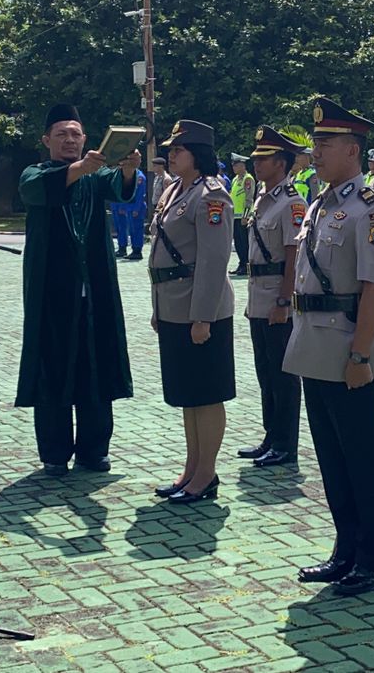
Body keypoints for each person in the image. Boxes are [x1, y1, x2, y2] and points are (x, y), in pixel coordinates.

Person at [284, 97, 374, 597]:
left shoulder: (370, 212)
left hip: (349, 346)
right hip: (313, 343)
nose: (317, 151)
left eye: (325, 144)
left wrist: (360, 354)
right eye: (316, 143)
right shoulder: (320, 204)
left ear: (352, 150)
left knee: (365, 458)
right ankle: (345, 549)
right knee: (332, 457)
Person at [16, 104, 139, 475]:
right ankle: (54, 453)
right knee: (52, 368)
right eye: (62, 134)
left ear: (86, 138)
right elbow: (39, 191)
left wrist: (128, 168)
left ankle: (93, 449)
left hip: (94, 291)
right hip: (52, 293)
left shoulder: (95, 177)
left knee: (95, 368)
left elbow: (119, 190)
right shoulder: (34, 173)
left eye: (76, 134)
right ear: (46, 140)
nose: (70, 140)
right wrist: (81, 167)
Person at [149, 120, 236, 502]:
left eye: (179, 150)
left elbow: (214, 260)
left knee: (206, 393)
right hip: (172, 305)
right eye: (171, 149)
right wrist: (157, 308)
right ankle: (191, 468)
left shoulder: (212, 196)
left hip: (201, 309)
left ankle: (206, 474)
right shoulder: (174, 191)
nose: (171, 154)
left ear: (198, 155)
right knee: (187, 394)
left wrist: (202, 316)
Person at [238, 126, 308, 469]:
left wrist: (284, 302)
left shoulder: (292, 203)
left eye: (263, 159)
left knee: (283, 376)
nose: (256, 164)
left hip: (276, 299)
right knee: (265, 371)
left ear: (281, 163)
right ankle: (270, 436)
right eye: (255, 158)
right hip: (257, 296)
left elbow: (293, 256)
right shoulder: (264, 198)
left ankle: (285, 443)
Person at [111, 150, 147, 261]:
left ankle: (137, 250)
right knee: (128, 229)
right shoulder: (121, 175)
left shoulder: (139, 176)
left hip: (135, 206)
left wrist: (135, 208)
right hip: (124, 206)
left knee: (136, 229)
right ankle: (126, 248)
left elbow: (140, 194)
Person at [229, 153, 256, 276]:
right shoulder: (235, 180)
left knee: (245, 242)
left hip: (244, 216)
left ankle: (246, 265)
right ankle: (241, 264)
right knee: (238, 242)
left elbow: (249, 199)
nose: (234, 168)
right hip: (235, 216)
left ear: (242, 165)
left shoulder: (248, 179)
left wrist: (246, 215)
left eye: (236, 165)